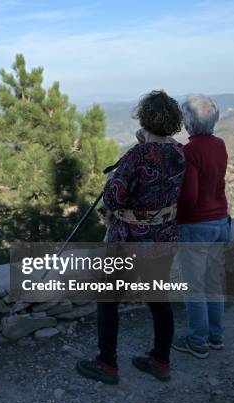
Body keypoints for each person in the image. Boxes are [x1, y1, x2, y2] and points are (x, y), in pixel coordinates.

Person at [76, 90, 186, 384]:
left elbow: (113, 198)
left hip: (127, 240)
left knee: (108, 299)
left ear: (144, 120)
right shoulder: (178, 152)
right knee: (159, 299)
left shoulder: (136, 155)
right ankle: (160, 360)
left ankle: (107, 364)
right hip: (163, 238)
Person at [172, 95, 230, 359]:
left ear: (188, 122)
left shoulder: (190, 151)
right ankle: (215, 335)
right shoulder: (220, 145)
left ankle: (198, 341)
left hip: (197, 225)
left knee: (194, 287)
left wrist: (177, 219)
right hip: (221, 222)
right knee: (213, 283)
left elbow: (189, 196)